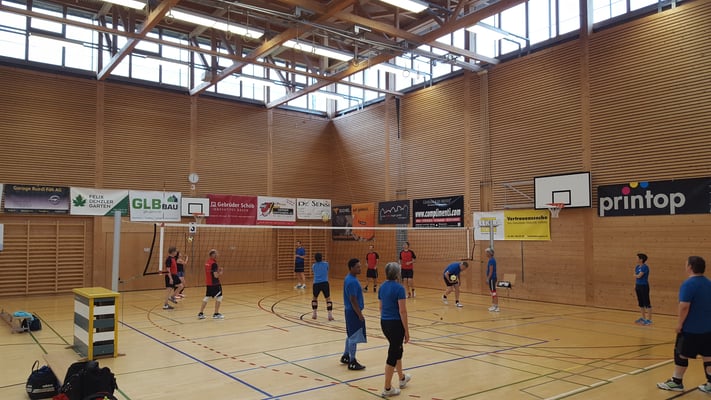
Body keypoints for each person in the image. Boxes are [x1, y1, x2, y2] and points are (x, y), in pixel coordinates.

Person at [657, 256, 711, 393]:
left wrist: (679, 324)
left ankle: (677, 382)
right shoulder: (709, 283)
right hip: (708, 328)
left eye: (686, 264)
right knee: (708, 355)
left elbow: (684, 306)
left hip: (691, 329)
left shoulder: (688, 284)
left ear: (690, 267)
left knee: (681, 354)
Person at [379, 262, 412, 397]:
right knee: (393, 354)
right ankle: (387, 388)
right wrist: (406, 331)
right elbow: (402, 311)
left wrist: (386, 320)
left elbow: (381, 308)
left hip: (384, 323)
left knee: (397, 349)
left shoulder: (382, 287)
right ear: (398, 273)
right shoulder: (399, 288)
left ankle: (402, 378)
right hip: (396, 325)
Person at [341, 258, 366, 370]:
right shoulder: (352, 281)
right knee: (354, 336)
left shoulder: (349, 278)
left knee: (350, 334)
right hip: (353, 312)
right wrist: (359, 314)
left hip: (349, 311)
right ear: (351, 268)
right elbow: (353, 300)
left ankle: (346, 356)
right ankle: (352, 361)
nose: (360, 268)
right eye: (357, 267)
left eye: (360, 266)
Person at [198, 249, 224, 319]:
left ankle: (200, 313)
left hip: (208, 283)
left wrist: (217, 271)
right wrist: (220, 272)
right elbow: (215, 276)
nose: (217, 255)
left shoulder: (207, 262)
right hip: (215, 284)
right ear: (213, 255)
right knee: (220, 297)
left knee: (207, 297)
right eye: (216, 254)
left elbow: (211, 273)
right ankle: (216, 314)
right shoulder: (214, 264)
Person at [311, 253, 334, 321]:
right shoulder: (326, 264)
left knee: (314, 298)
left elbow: (314, 272)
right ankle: (330, 315)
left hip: (316, 283)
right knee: (328, 299)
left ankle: (314, 314)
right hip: (325, 283)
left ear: (315, 259)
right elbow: (327, 270)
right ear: (322, 258)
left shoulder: (314, 266)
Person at [634, 253, 652, 325]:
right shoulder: (637, 267)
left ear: (641, 259)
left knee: (646, 303)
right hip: (638, 286)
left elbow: (639, 276)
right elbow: (637, 276)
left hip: (644, 286)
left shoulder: (645, 267)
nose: (636, 259)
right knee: (640, 303)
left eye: (637, 258)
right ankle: (643, 318)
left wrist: (636, 275)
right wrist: (635, 284)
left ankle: (649, 320)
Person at [485, 248, 499, 312]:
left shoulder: (491, 260)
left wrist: (488, 278)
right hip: (492, 278)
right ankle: (493, 305)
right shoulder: (491, 260)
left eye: (487, 252)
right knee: (492, 292)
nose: (486, 254)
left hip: (492, 278)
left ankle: (496, 306)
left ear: (490, 253)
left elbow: (491, 270)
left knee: (493, 292)